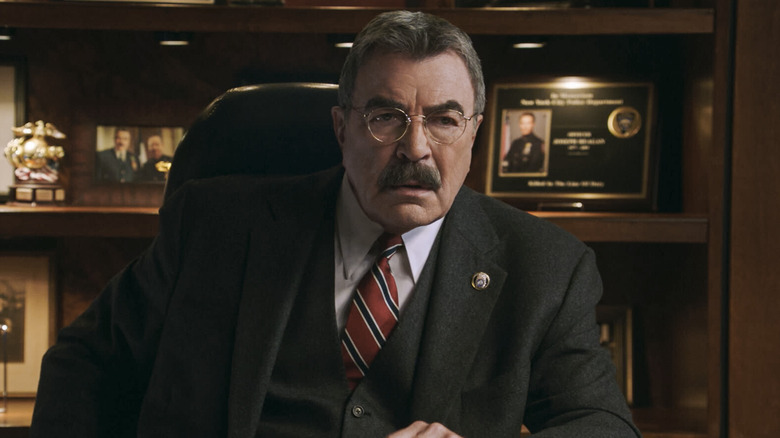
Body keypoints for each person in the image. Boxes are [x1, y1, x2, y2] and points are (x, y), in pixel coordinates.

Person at [31, 11, 640, 438]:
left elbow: (604, 424)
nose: (416, 148)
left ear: (476, 133)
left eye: (445, 120)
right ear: (341, 127)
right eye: (386, 116)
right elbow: (85, 366)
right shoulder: (214, 225)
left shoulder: (546, 267)